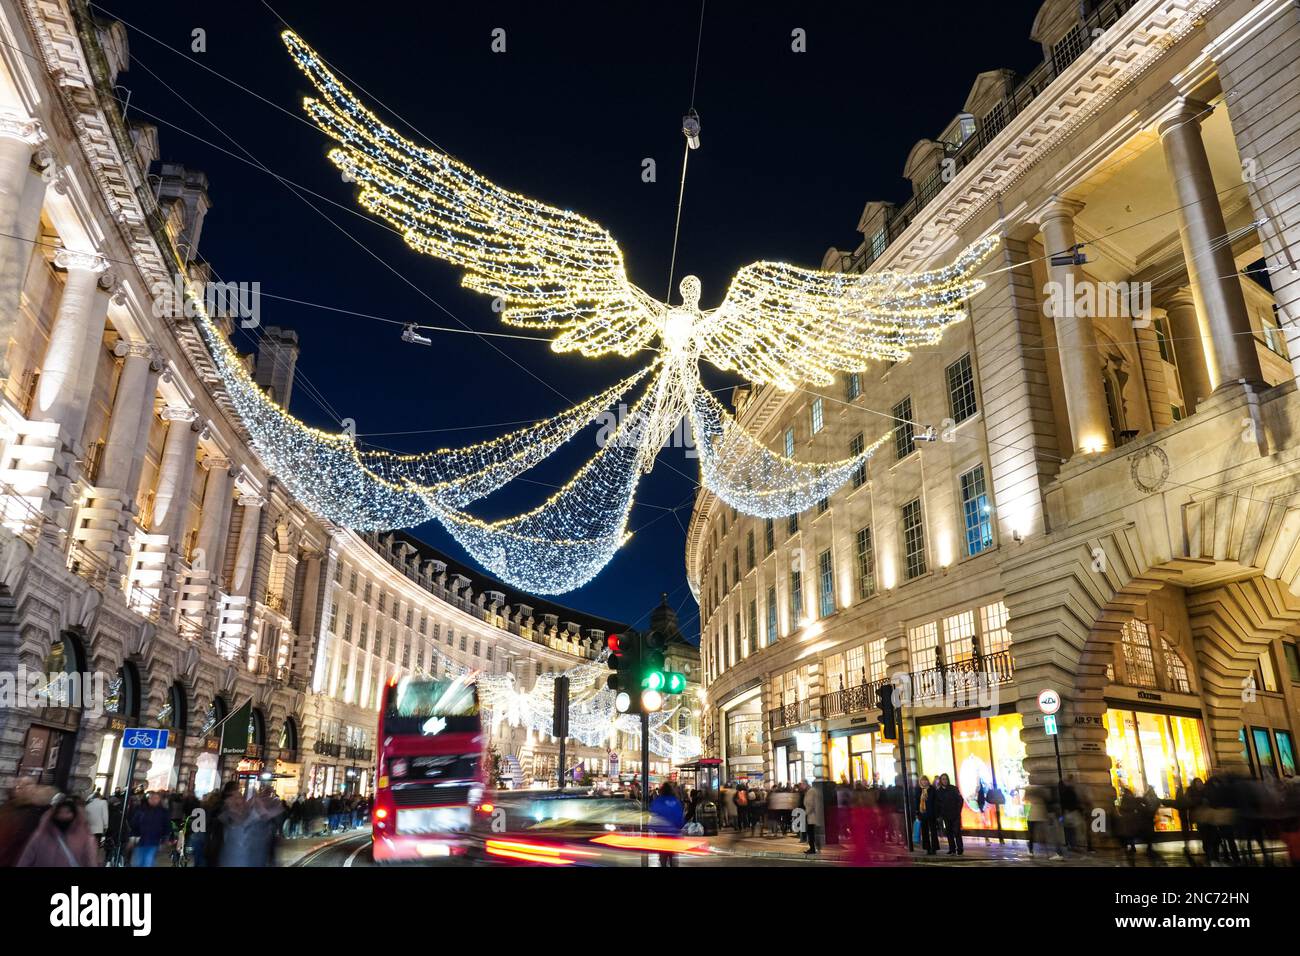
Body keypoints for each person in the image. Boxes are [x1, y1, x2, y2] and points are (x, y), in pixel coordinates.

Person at [16, 796, 98, 867]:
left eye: (68, 812)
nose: (63, 815)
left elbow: (90, 861)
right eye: (60, 812)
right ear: (54, 814)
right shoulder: (41, 835)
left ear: (74, 815)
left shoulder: (85, 838)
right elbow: (26, 858)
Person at [0, 777, 56, 867]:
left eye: (27, 785)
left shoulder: (43, 811)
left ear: (35, 788)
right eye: (19, 786)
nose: (21, 788)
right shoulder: (8, 807)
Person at [129, 790, 172, 868]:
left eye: (156, 798)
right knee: (138, 862)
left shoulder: (163, 812)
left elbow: (167, 827)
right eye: (151, 798)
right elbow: (134, 825)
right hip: (140, 841)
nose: (153, 800)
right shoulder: (141, 810)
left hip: (153, 841)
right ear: (148, 799)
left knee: (147, 862)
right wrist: (132, 838)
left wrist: (165, 840)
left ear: (159, 800)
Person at [649, 782, 685, 866]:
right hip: (673, 834)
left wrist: (654, 829)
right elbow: (680, 819)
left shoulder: (657, 801)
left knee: (663, 856)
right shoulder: (675, 801)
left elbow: (653, 818)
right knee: (673, 857)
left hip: (662, 834)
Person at [936, 774, 964, 855]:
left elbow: (960, 800)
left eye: (946, 779)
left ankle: (960, 848)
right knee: (949, 832)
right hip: (946, 815)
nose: (945, 781)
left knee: (957, 832)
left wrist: (958, 810)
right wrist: (940, 814)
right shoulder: (939, 791)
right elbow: (938, 804)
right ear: (941, 781)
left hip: (955, 814)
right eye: (943, 779)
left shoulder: (953, 788)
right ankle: (952, 849)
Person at [802, 780, 823, 855]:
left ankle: (813, 848)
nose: (801, 786)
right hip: (813, 815)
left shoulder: (811, 792)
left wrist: (805, 813)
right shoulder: (811, 791)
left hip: (812, 816)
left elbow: (810, 804)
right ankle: (815, 848)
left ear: (806, 784)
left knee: (811, 833)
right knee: (813, 833)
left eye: (802, 784)